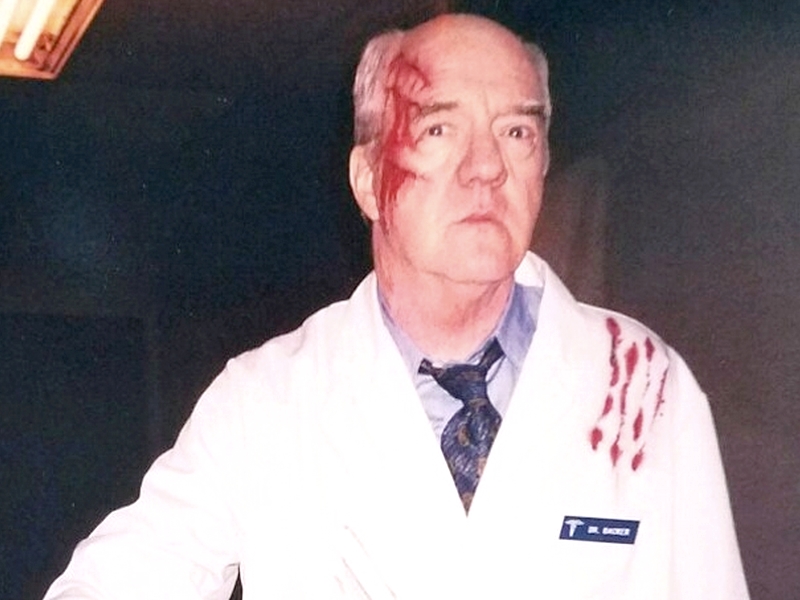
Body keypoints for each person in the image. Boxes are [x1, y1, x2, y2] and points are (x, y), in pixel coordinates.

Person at [44, 13, 750, 599]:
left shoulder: (645, 385)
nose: (487, 167)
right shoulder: (267, 400)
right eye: (439, 130)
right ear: (367, 180)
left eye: (517, 132)